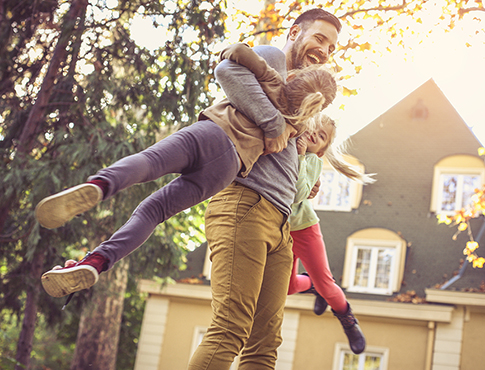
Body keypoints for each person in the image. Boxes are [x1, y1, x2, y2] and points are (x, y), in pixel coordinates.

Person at [37, 42, 337, 298]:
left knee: (150, 162)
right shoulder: (294, 128)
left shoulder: (274, 80)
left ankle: (101, 185)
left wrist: (230, 51)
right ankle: (96, 262)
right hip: (226, 171)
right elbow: (290, 164)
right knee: (153, 212)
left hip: (213, 136)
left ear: (293, 76)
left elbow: (237, 54)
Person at [187, 9, 342, 370]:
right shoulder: (272, 59)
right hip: (245, 205)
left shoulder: (303, 92)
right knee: (230, 328)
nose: (324, 50)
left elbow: (284, 154)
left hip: (281, 223)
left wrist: (304, 180)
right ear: (294, 32)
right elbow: (226, 70)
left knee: (265, 345)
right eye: (319, 38)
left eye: (331, 48)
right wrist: (274, 124)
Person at [287, 114, 374, 355]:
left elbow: (297, 194)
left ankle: (348, 321)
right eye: (314, 127)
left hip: (304, 228)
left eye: (321, 136)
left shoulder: (312, 160)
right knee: (287, 287)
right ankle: (310, 283)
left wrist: (302, 155)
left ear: (322, 150)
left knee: (327, 286)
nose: (315, 133)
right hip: (283, 232)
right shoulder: (288, 145)